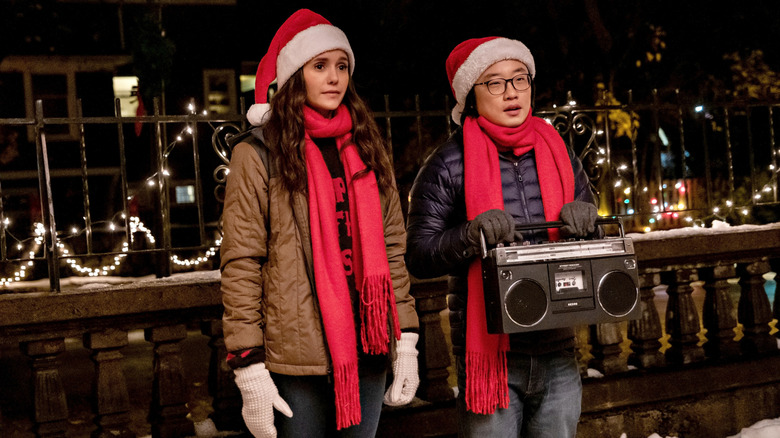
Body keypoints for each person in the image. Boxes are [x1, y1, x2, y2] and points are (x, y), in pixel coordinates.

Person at [220, 9, 420, 438]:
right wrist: (248, 365)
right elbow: (242, 261)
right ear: (295, 76)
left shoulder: (366, 144)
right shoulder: (258, 154)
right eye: (319, 66)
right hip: (296, 355)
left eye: (342, 66)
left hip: (367, 347)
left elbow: (391, 250)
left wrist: (406, 339)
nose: (334, 78)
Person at [405, 36, 600, 437]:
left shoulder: (560, 151)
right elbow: (419, 255)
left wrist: (588, 223)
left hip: (558, 347)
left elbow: (595, 249)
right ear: (471, 97)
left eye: (519, 79)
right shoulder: (447, 163)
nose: (511, 93)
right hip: (490, 356)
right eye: (494, 82)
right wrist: (470, 235)